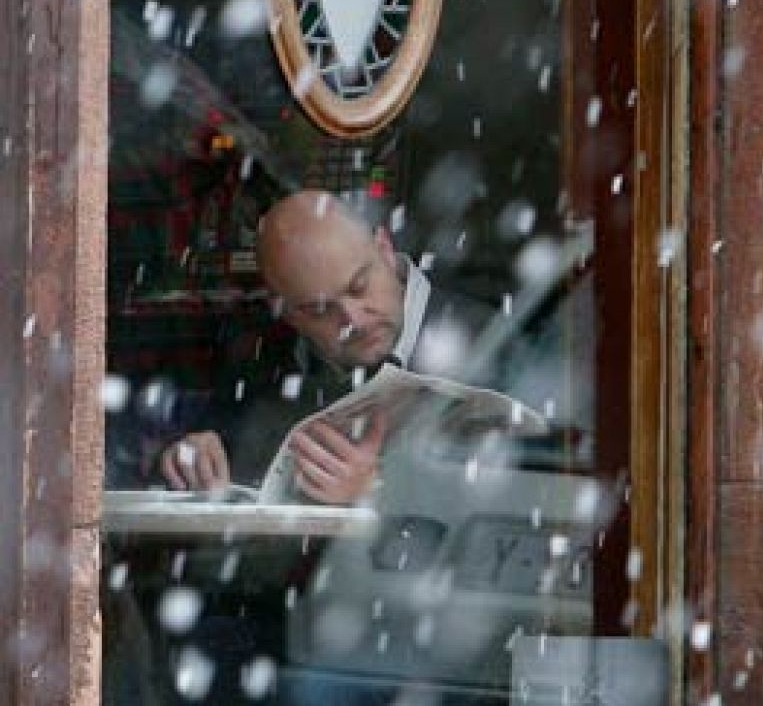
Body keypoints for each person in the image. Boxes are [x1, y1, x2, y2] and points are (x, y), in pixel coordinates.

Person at [157, 189, 573, 504]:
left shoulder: (497, 343)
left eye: (360, 287)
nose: (352, 320)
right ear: (285, 311)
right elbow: (223, 461)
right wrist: (195, 458)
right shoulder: (265, 362)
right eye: (320, 310)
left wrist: (380, 494)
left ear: (385, 249)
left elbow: (548, 491)